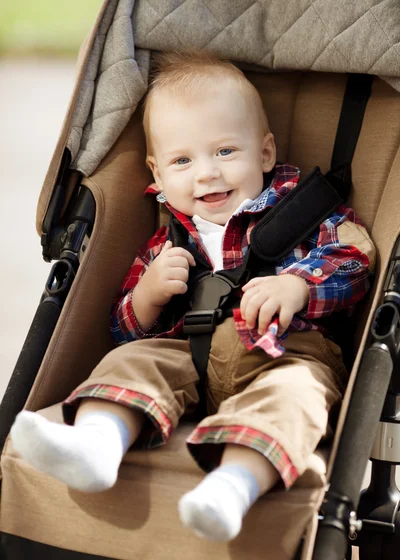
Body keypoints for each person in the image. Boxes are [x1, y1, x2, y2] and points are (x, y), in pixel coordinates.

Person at [11, 51, 375, 542]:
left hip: (285, 355)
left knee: (294, 397)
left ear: (265, 153)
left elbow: (355, 255)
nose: (206, 173)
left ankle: (232, 486)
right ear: (157, 175)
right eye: (183, 161)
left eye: (226, 152)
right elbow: (123, 330)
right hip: (187, 354)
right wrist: (146, 296)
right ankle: (97, 446)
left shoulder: (300, 208)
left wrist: (299, 284)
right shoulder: (167, 240)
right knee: (135, 361)